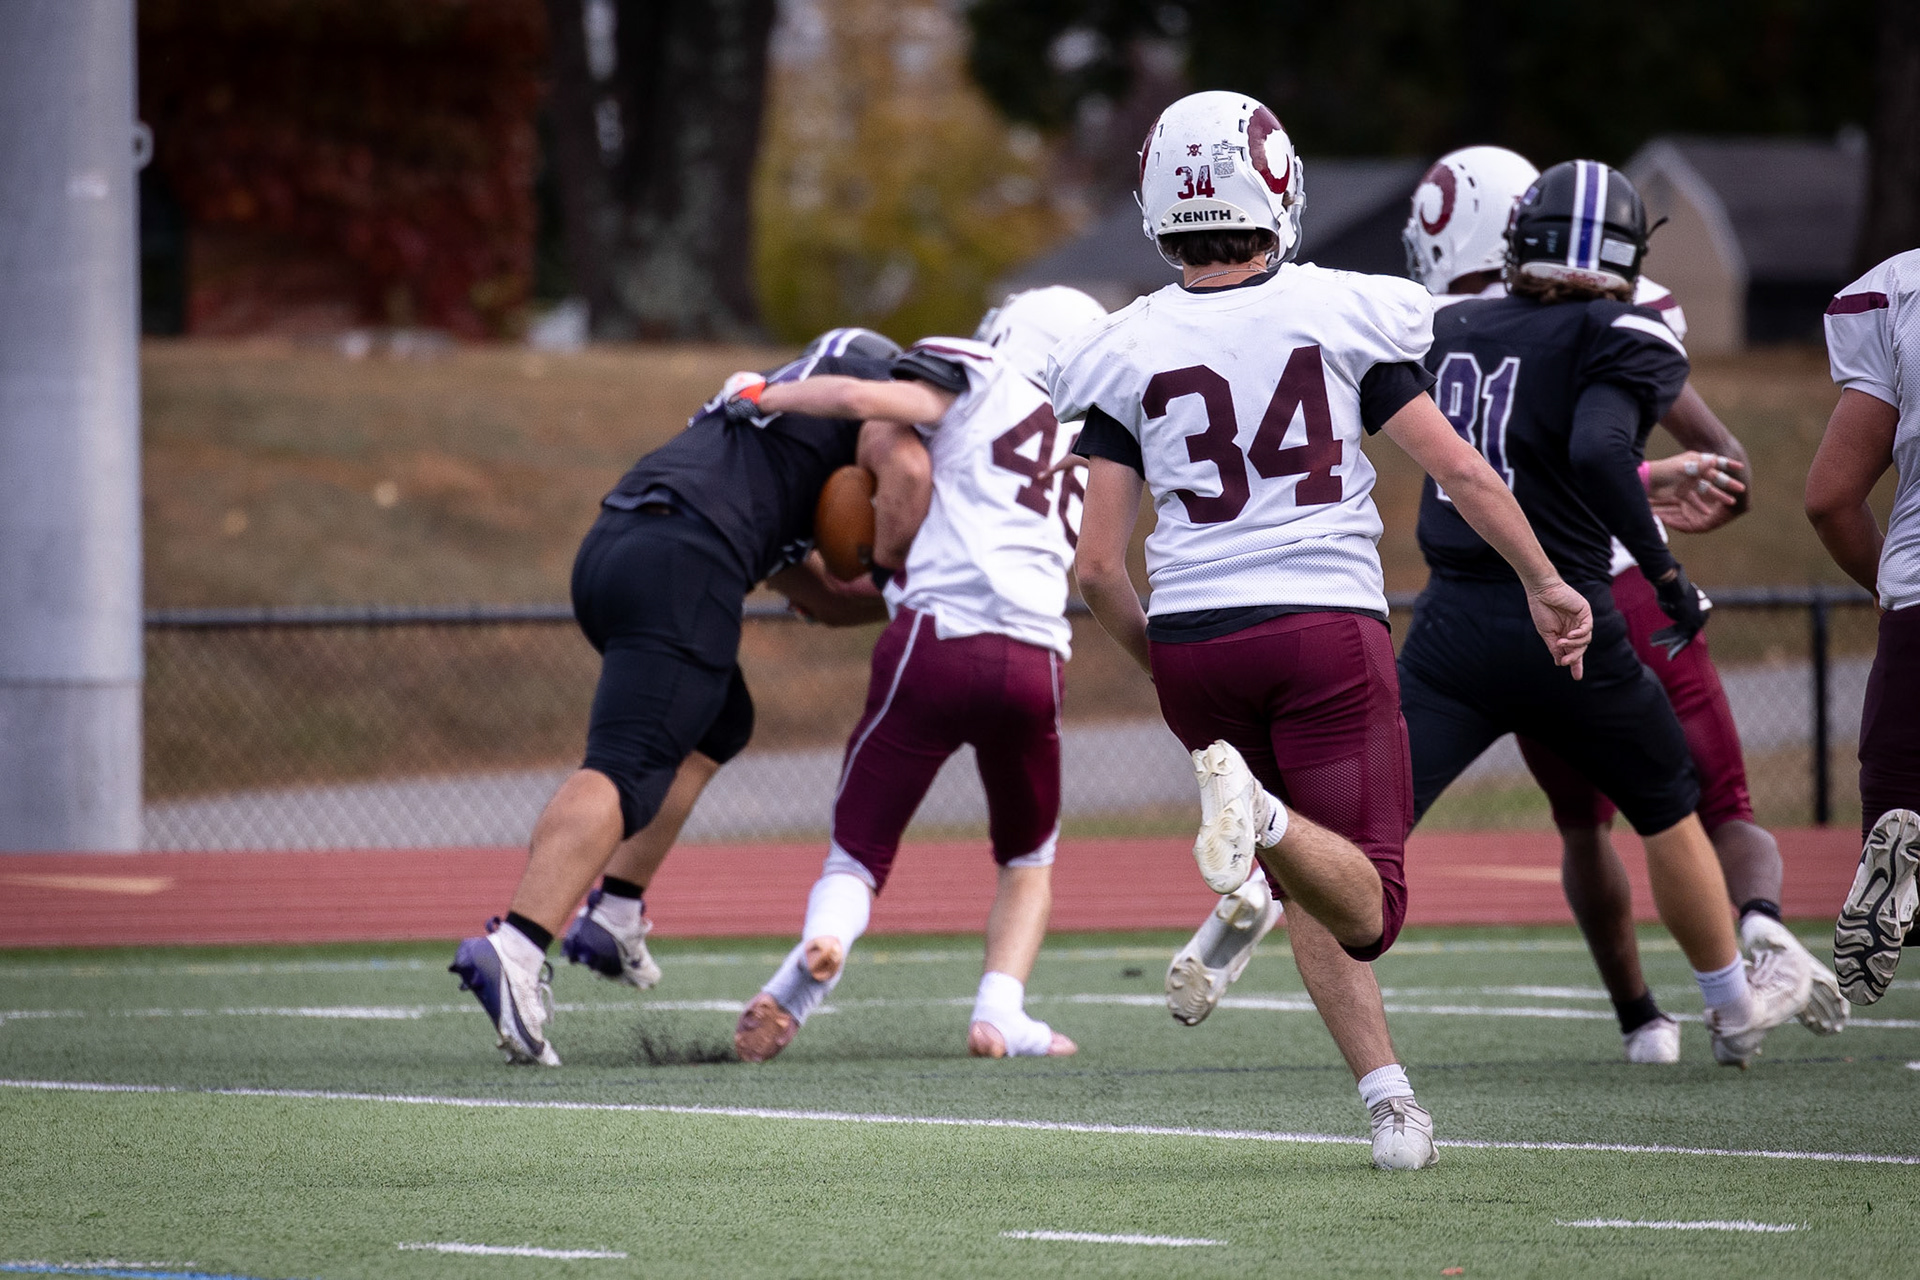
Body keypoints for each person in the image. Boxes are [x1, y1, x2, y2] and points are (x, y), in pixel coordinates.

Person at [1050, 90, 1593, 1170]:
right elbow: (1461, 468)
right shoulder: (1346, 311)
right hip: (1321, 627)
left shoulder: (1124, 343)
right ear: (1277, 185)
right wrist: (1545, 578)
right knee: (1370, 903)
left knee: (1312, 865)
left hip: (1198, 641)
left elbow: (1100, 564)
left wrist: (1167, 665)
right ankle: (1265, 828)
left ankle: (1390, 1102)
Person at [1411, 146, 1843, 1059]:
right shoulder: (1627, 325)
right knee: (1681, 803)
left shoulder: (1450, 323)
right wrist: (1673, 552)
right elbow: (1604, 452)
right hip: (1590, 607)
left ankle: (1640, 1018)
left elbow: (1507, 459)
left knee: (1423, 819)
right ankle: (1733, 998)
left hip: (1459, 616)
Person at [449, 328, 931, 1066]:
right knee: (627, 762)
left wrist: (919, 600)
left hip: (619, 544)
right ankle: (514, 945)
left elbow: (824, 600)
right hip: (685, 559)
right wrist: (913, 567)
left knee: (721, 718)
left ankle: (614, 911)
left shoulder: (772, 429)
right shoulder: (869, 409)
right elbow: (900, 465)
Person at [717, 287, 1109, 1062]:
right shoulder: (1089, 444)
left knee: (858, 850)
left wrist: (764, 392)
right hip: (1038, 662)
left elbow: (864, 394)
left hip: (939, 642)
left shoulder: (980, 372)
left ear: (1010, 331)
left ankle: (819, 954)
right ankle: (1002, 1011)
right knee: (1028, 857)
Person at [1807, 247, 1920, 1005]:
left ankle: (1909, 877)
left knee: (1904, 804)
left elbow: (1830, 498)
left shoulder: (1902, 286)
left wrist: (1886, 587)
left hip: (1918, 591)